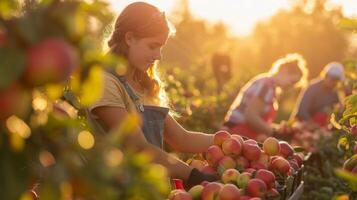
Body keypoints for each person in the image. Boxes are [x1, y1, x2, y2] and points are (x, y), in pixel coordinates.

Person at [87, 2, 218, 188]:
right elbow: (139, 147)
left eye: (161, 47)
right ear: (130, 38)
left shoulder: (144, 86)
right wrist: (194, 175)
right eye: (152, 46)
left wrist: (232, 140)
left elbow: (182, 139)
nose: (158, 56)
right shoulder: (105, 83)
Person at [222, 53, 308, 141]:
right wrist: (274, 133)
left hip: (241, 132)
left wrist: (277, 128)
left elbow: (259, 118)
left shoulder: (270, 86)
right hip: (236, 133)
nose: (291, 86)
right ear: (285, 70)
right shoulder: (266, 86)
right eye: (292, 81)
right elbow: (251, 116)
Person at [291, 62, 344, 127]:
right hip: (302, 125)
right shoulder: (312, 88)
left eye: (336, 81)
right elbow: (302, 111)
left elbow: (339, 111)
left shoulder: (334, 93)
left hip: (320, 128)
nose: (334, 83)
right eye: (332, 79)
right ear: (326, 76)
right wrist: (314, 125)